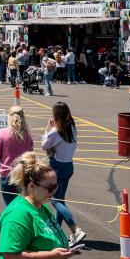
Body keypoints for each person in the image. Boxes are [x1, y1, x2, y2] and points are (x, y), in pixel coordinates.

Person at [41, 102, 86, 244]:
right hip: (68, 165)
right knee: (60, 199)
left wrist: (48, 128)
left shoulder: (56, 131)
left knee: (55, 200)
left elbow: (44, 145)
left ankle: (75, 229)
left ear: (56, 115)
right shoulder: (72, 127)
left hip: (57, 166)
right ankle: (57, 230)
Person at [0, 106, 34, 206]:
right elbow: (30, 156)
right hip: (22, 174)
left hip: (7, 174)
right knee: (22, 205)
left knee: (9, 205)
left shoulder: (2, 133)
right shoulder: (27, 135)